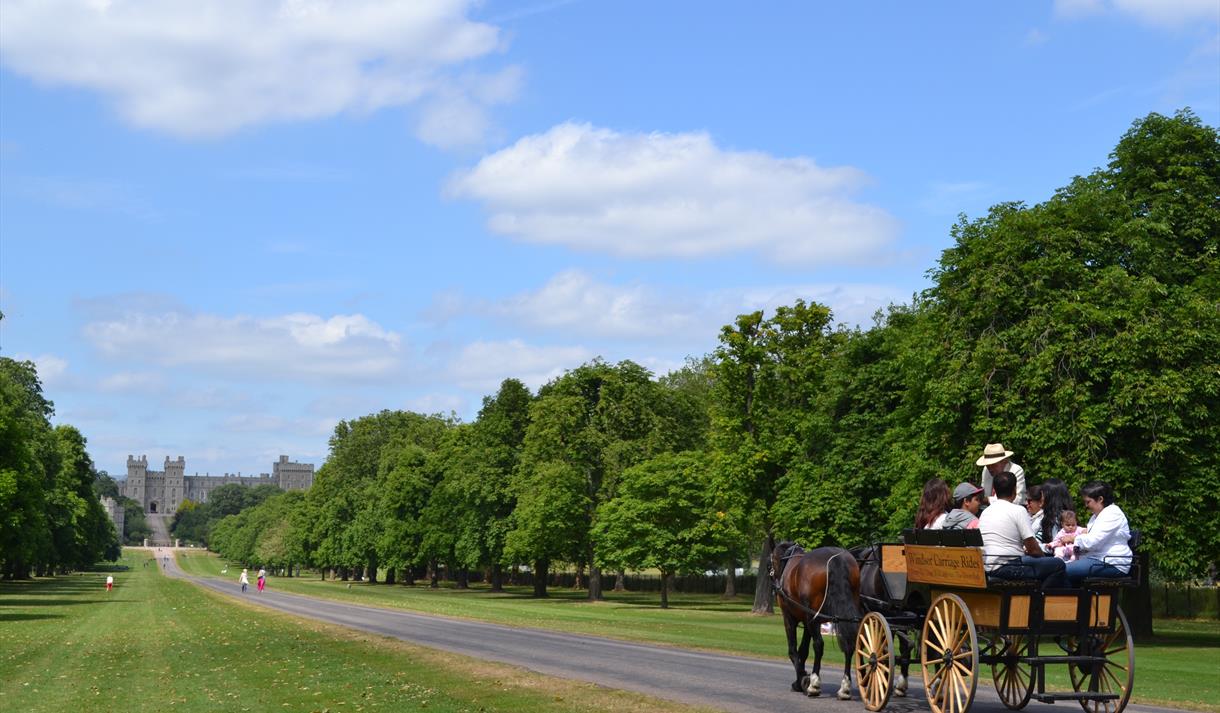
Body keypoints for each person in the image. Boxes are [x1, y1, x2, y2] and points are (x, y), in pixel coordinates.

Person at [980, 471, 1065, 588]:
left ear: (995, 489)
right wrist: (1044, 559)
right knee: (1058, 565)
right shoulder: (1018, 510)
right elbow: (1033, 549)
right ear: (1015, 490)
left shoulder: (985, 512)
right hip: (1008, 566)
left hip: (987, 565)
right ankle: (1039, 599)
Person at [1057, 481, 1133, 586]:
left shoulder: (1112, 514)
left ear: (1100, 499)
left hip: (1111, 563)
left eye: (1088, 502)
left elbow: (1092, 541)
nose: (1086, 505)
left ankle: (1072, 600)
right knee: (1057, 569)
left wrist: (1073, 539)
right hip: (1098, 559)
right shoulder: (1097, 515)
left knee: (1061, 571)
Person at [1038, 478, 1072, 545]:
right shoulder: (1049, 517)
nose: (1040, 498)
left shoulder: (1058, 519)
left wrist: (1038, 547)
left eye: (1042, 495)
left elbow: (1055, 545)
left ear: (1049, 497)